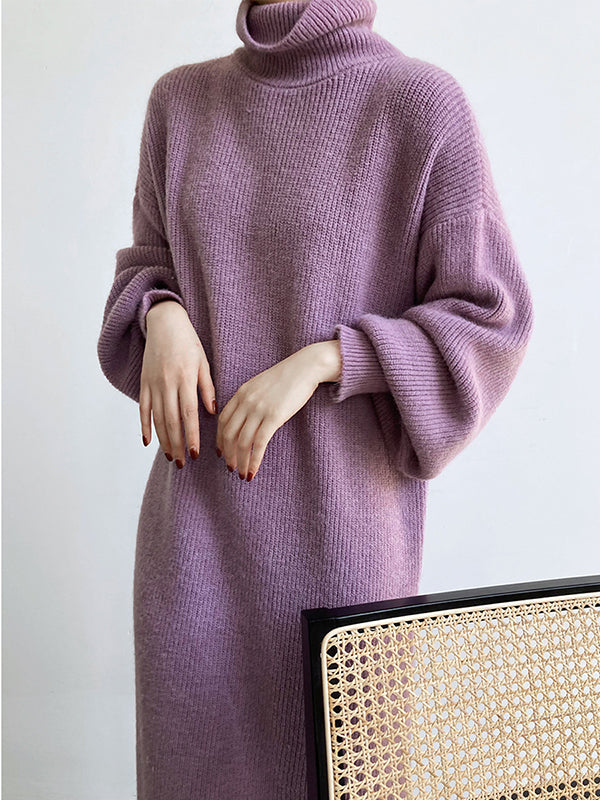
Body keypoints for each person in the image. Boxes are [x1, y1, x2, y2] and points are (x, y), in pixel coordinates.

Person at [96, 0, 534, 797]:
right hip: (194, 551)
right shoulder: (179, 103)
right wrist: (159, 313)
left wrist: (331, 359)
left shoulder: (418, 105)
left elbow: (491, 320)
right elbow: (145, 267)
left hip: (344, 554)